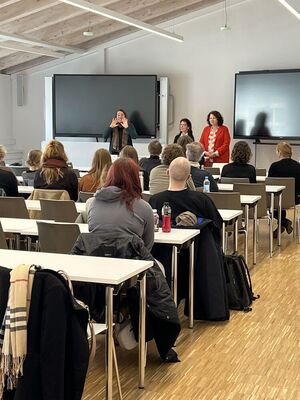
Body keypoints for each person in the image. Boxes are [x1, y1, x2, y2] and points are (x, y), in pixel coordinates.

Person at [87, 158, 154, 250]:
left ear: (110, 176)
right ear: (135, 178)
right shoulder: (144, 208)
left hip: (98, 259)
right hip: (133, 261)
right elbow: (148, 245)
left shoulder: (93, 204)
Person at [149, 157, 222, 226]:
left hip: (164, 238)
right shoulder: (202, 200)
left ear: (167, 173)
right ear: (189, 177)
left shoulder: (154, 201)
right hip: (197, 239)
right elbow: (217, 223)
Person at [268, 141, 300, 235]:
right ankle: (283, 224)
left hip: (277, 199)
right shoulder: (298, 166)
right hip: (295, 199)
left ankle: (284, 222)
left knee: (272, 203)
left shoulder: (274, 166)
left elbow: (269, 185)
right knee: (280, 202)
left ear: (279, 152)